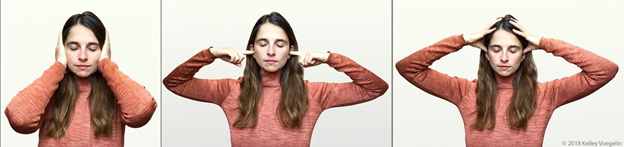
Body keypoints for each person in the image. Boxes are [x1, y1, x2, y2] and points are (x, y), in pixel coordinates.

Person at [163, 12, 388, 146]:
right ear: (251, 49)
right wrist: (210, 53)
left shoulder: (314, 93)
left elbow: (375, 88)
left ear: (291, 49)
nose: (271, 52)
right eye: (263, 44)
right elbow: (174, 82)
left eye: (279, 45)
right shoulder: (230, 90)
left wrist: (331, 58)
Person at [396, 15, 618, 146]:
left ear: (524, 54)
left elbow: (604, 70)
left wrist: (544, 43)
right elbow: (408, 68)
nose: (504, 57)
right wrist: (462, 40)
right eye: (496, 49)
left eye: (513, 49)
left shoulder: (547, 94)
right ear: (485, 53)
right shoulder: (464, 91)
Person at [4, 11, 157, 146]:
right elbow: (20, 119)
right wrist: (59, 65)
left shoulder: (116, 90)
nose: (82, 56)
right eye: (73, 48)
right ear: (62, 50)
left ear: (104, 50)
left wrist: (107, 65)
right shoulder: (49, 90)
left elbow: (141, 112)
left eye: (92, 48)